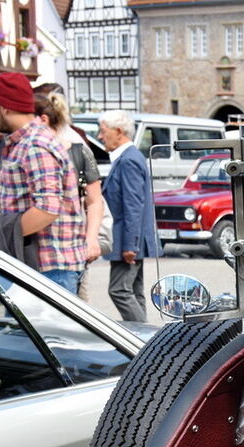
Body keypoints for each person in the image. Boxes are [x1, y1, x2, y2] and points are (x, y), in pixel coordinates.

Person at [0, 72, 86, 294]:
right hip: (39, 264)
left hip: (48, 267)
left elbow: (48, 209)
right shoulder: (27, 141)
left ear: (4, 108)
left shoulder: (35, 145)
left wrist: (3, 236)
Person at [34, 92, 105, 299]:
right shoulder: (27, 149)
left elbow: (95, 200)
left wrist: (91, 239)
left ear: (43, 119)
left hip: (68, 248)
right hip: (36, 251)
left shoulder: (78, 151)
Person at [96, 109, 161, 321]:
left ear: (118, 131)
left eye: (103, 131)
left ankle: (142, 337)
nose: (99, 136)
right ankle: (145, 335)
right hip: (132, 239)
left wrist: (130, 245)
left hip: (129, 240)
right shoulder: (129, 157)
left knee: (120, 290)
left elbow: (133, 205)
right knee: (133, 290)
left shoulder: (128, 160)